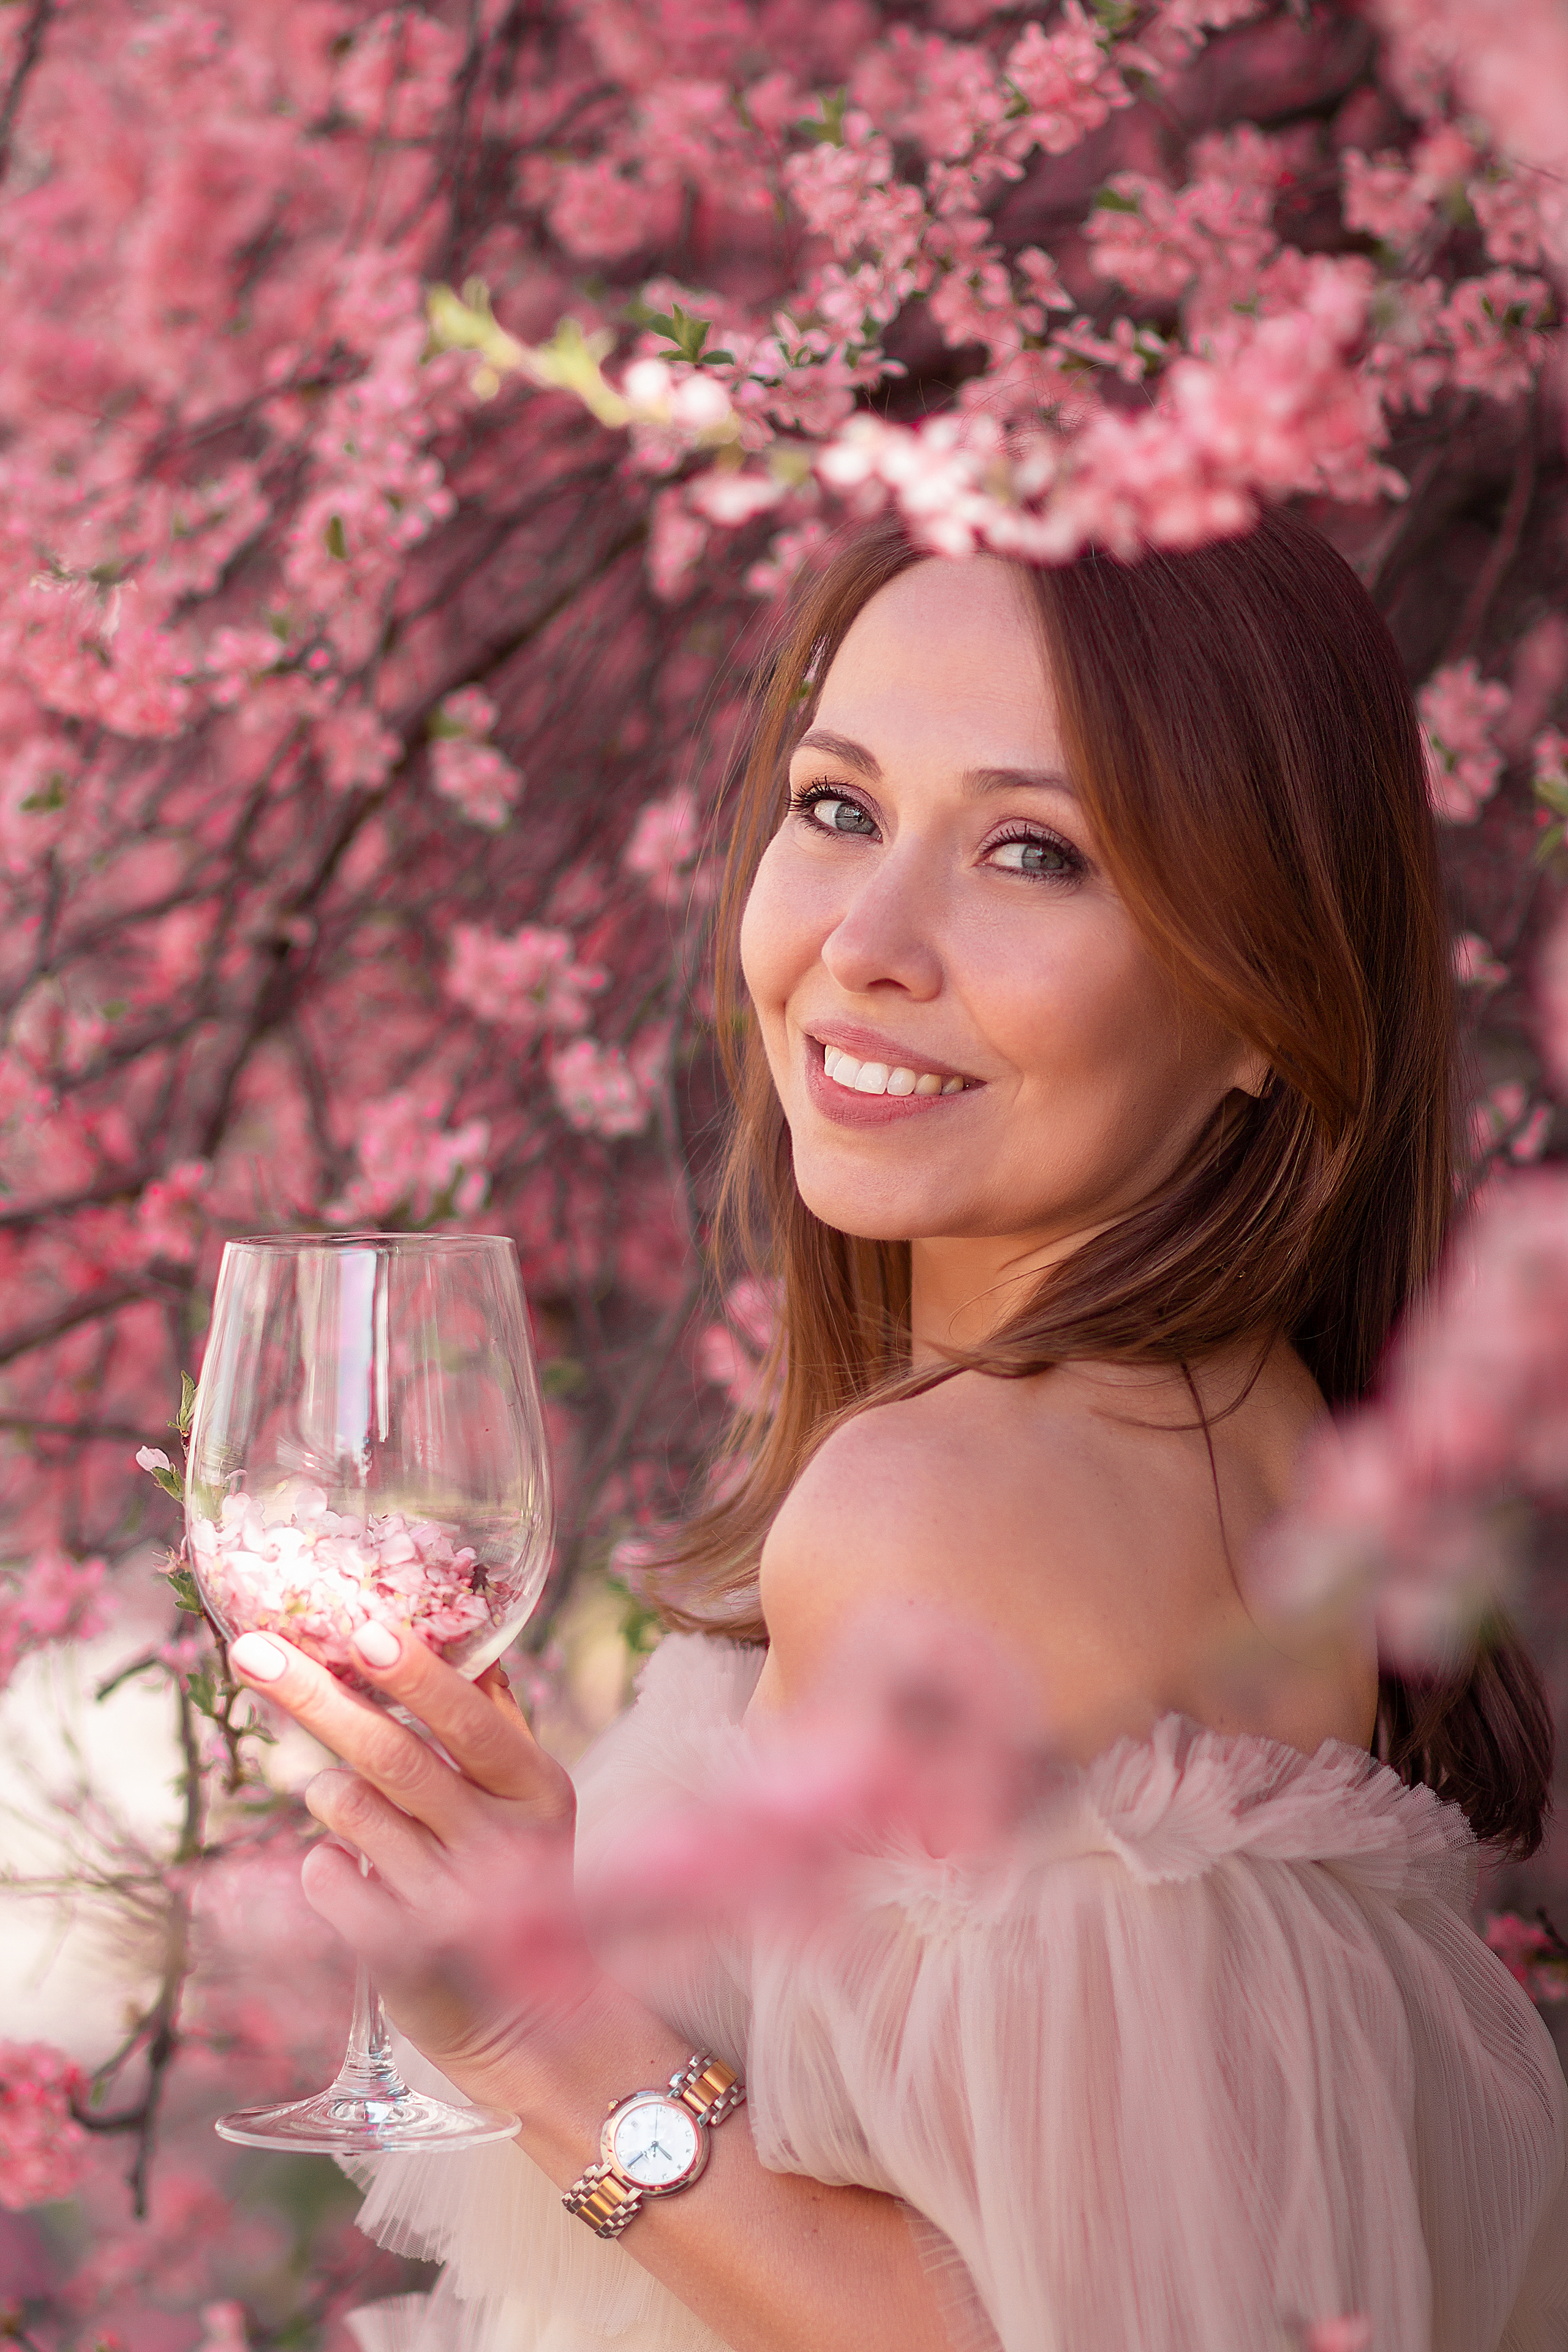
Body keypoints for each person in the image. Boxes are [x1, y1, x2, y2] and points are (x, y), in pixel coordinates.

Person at [231, 510, 1568, 2352]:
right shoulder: (1242, 1430)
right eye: (839, 807)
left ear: (1271, 1000)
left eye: (1034, 851)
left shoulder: (950, 1506)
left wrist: (537, 2028)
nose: (863, 941)